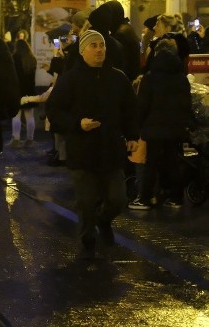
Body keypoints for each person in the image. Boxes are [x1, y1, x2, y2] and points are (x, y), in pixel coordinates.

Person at [46, 29, 139, 260]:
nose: (99, 50)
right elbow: (54, 111)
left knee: (118, 199)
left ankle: (104, 219)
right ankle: (87, 240)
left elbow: (130, 110)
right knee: (86, 201)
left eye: (102, 45)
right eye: (94, 46)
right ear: (83, 51)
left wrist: (133, 136)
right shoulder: (71, 79)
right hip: (82, 151)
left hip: (111, 151)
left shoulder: (118, 78)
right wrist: (78, 124)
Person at [129, 39, 191, 210]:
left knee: (151, 163)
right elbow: (187, 103)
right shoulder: (181, 77)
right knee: (173, 162)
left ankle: (145, 198)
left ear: (156, 53)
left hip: (154, 128)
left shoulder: (150, 77)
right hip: (176, 127)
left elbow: (143, 105)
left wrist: (138, 125)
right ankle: (176, 198)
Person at [8, 39, 38, 148]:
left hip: (17, 91)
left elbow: (12, 76)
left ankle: (16, 139)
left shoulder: (14, 58)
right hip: (30, 91)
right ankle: (30, 139)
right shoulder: (32, 59)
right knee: (30, 116)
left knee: (16, 116)